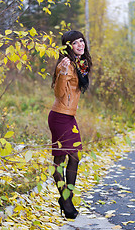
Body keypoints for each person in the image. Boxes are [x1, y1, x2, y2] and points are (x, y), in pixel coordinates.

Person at [48, 30, 92, 219]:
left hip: (68, 116)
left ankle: (67, 197)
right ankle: (66, 200)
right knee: (66, 159)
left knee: (73, 158)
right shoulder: (64, 64)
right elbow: (59, 93)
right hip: (59, 116)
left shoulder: (80, 64)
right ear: (68, 47)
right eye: (75, 43)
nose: (80, 45)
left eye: (81, 41)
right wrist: (63, 73)